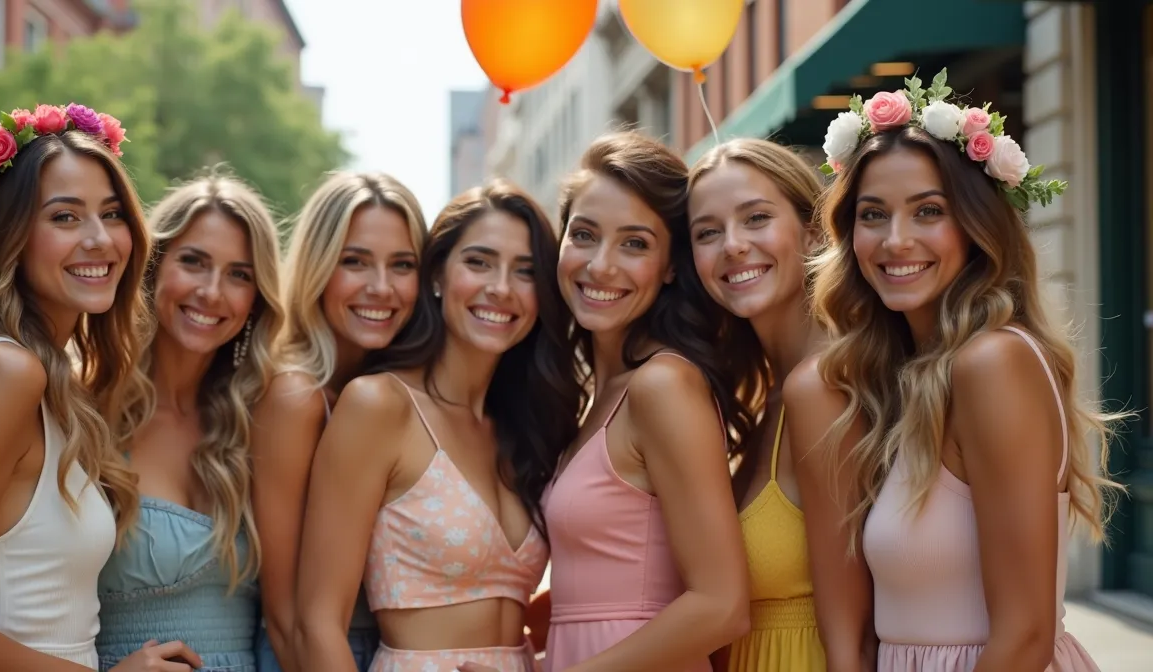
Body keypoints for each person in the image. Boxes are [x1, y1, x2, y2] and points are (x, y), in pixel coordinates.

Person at [786, 69, 1118, 671]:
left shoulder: (994, 362)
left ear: (975, 225)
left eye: (928, 211)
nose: (895, 239)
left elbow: (1024, 638)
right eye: (872, 214)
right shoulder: (896, 385)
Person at [0, 103, 192, 670]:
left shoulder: (54, 378)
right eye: (65, 217)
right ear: (11, 238)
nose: (99, 239)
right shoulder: (6, 372)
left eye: (113, 213)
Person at [293, 180, 581, 672]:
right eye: (479, 262)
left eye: (526, 271)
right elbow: (316, 622)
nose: (501, 288)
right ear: (437, 276)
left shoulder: (527, 425)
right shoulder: (380, 406)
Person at [539, 131, 751, 672]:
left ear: (671, 266)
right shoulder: (599, 394)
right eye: (584, 234)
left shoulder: (663, 386)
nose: (600, 265)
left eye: (634, 244)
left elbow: (723, 606)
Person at [95, 171, 284, 672]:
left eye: (239, 275)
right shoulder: (86, 406)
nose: (211, 292)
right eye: (194, 262)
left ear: (257, 300)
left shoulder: (261, 421)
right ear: (153, 267)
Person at [253, 171, 428, 672]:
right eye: (354, 262)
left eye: (402, 265)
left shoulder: (396, 397)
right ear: (318, 266)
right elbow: (287, 621)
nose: (380, 287)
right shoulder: (296, 398)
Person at [687, 138, 827, 671]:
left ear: (811, 231)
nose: (733, 245)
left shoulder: (828, 382)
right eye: (707, 232)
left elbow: (857, 629)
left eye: (757, 218)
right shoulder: (753, 392)